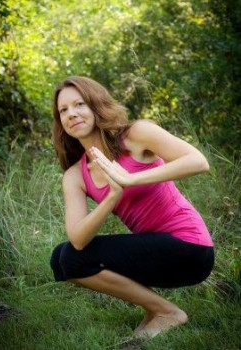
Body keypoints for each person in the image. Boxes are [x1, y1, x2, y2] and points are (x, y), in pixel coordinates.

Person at [50, 76, 214, 338]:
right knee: (63, 258)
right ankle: (159, 309)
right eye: (63, 110)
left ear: (95, 105)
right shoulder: (75, 176)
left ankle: (166, 313)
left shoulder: (136, 135)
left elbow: (198, 161)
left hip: (191, 248)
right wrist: (112, 196)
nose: (71, 114)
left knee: (69, 257)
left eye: (79, 104)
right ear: (60, 122)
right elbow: (78, 240)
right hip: (159, 252)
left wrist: (130, 179)